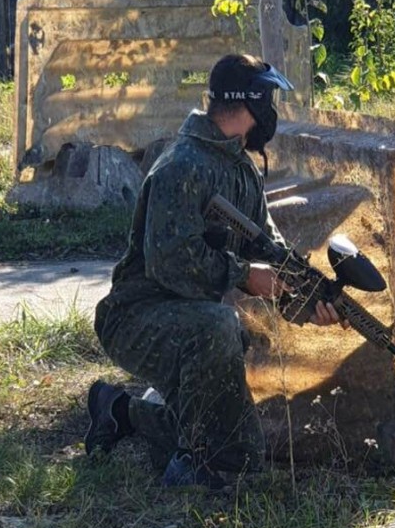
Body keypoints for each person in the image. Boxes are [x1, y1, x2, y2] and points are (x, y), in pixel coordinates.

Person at [85, 53, 344, 487]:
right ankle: (197, 463)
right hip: (135, 316)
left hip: (191, 321)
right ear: (252, 105)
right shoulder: (182, 166)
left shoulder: (238, 166)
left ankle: (121, 412)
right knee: (221, 334)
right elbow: (170, 263)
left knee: (239, 438)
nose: (272, 114)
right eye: (269, 101)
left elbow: (269, 244)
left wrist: (309, 297)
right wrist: (244, 275)